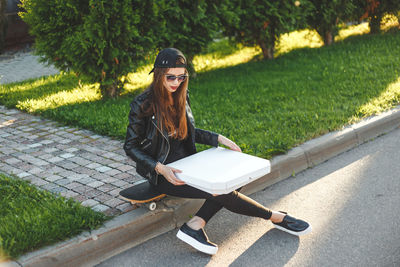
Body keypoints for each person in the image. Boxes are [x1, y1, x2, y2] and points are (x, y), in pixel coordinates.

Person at [124, 48, 311, 255]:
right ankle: (275, 217)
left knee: (236, 174)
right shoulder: (142, 105)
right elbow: (130, 146)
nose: (176, 82)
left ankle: (195, 224)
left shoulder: (181, 96)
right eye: (170, 77)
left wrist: (218, 138)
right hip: (166, 173)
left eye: (181, 76)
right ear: (159, 75)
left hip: (190, 164)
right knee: (221, 190)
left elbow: (187, 132)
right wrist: (160, 168)